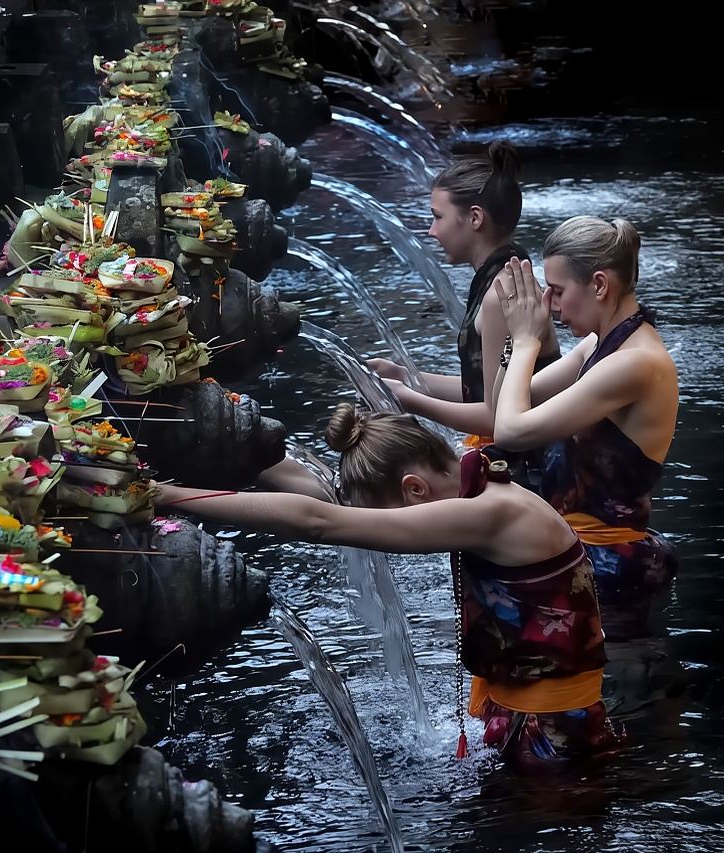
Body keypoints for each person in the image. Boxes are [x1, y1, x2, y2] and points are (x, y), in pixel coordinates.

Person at [154, 403, 622, 765]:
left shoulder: (490, 514)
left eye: (389, 516)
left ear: (415, 491)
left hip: (553, 734)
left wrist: (172, 496)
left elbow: (320, 523)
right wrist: (242, 448)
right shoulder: (475, 471)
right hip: (523, 708)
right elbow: (328, 500)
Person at [490, 216, 680, 636]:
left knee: (620, 695)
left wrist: (527, 343)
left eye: (557, 291)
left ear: (598, 285)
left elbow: (510, 432)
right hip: (582, 555)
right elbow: (502, 408)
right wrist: (515, 339)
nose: (550, 303)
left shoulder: (637, 363)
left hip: (609, 566)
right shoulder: (598, 345)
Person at [369, 142, 560, 489]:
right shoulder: (501, 273)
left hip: (528, 479)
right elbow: (487, 393)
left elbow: (494, 417)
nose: (431, 230)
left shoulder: (500, 293)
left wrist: (409, 398)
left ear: (474, 218)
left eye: (438, 217)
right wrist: (406, 376)